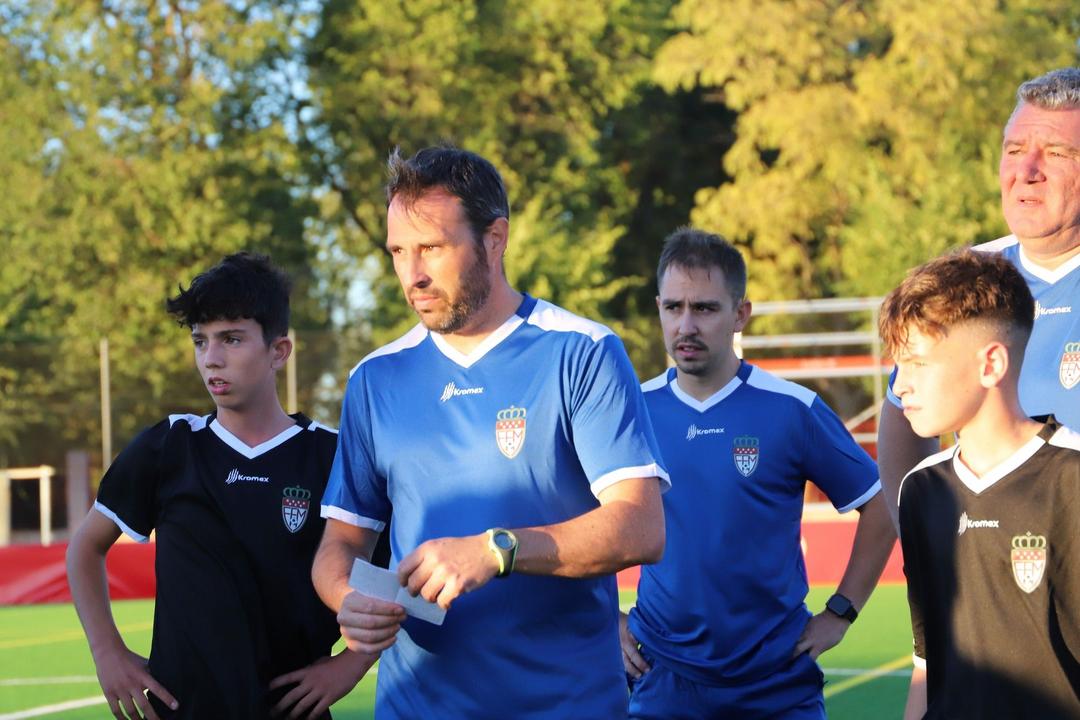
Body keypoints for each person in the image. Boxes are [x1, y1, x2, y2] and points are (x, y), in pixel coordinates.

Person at [311, 146, 668, 719]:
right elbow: (342, 544)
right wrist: (348, 599)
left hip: (565, 706)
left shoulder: (582, 352)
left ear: (494, 239)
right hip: (416, 708)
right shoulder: (375, 379)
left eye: (432, 248)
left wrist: (497, 549)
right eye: (399, 251)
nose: (412, 275)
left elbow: (642, 528)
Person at [66, 253, 382, 720]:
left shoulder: (331, 454)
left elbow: (392, 571)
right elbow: (85, 548)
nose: (211, 357)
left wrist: (352, 665)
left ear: (279, 351)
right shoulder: (169, 446)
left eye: (231, 339)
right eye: (201, 340)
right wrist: (106, 651)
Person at [619, 229, 895, 720]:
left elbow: (882, 503)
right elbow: (567, 512)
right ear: (658, 307)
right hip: (663, 680)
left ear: (740, 314)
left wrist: (841, 611)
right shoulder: (631, 410)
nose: (686, 325)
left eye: (705, 308)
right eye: (673, 307)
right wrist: (607, 616)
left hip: (777, 683)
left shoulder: (793, 409)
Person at [880, 250, 1080, 719]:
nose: (900, 385)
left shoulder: (1069, 478)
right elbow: (927, 659)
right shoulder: (921, 490)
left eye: (917, 363)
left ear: (991, 364)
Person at [878, 67, 1080, 531]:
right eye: (1014, 151)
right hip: (993, 560)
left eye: (1055, 153)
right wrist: (920, 533)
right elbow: (903, 411)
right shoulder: (968, 277)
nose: (1026, 172)